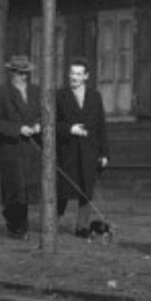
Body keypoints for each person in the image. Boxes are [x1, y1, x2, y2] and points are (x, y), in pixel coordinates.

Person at [0, 54, 42, 239]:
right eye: (19, 73)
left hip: (32, 148)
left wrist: (38, 125)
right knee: (15, 189)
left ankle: (20, 227)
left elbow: (44, 114)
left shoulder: (36, 91)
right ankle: (16, 226)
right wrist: (18, 129)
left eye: (26, 73)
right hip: (11, 148)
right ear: (11, 72)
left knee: (27, 191)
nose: (23, 77)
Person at [55, 57, 110, 238]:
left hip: (89, 150)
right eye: (72, 73)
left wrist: (104, 153)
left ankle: (82, 226)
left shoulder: (95, 96)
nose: (74, 77)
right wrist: (70, 129)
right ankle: (52, 223)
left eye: (79, 74)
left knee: (86, 189)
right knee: (63, 189)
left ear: (86, 76)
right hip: (67, 150)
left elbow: (101, 126)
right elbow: (52, 124)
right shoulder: (59, 96)